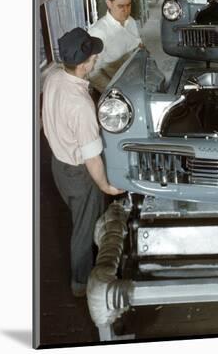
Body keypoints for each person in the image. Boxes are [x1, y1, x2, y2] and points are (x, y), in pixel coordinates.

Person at [42, 27, 124, 297]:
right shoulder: (80, 105)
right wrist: (105, 186)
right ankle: (80, 283)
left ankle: (94, 263)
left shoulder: (53, 76)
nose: (96, 60)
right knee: (83, 227)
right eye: (92, 57)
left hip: (58, 164)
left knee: (82, 219)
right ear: (83, 64)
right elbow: (91, 157)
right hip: (79, 174)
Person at [88, 0, 143, 93]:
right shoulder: (98, 32)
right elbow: (93, 74)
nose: (126, 11)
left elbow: (139, 49)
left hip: (135, 81)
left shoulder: (131, 22)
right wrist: (115, 92)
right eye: (120, 6)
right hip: (116, 90)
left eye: (128, 5)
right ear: (109, 3)